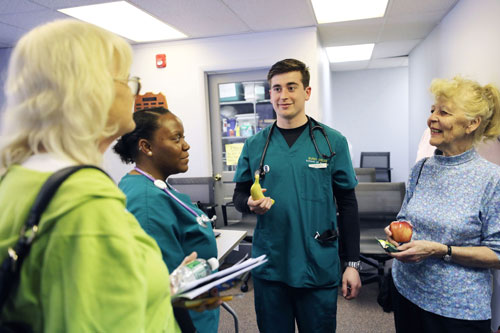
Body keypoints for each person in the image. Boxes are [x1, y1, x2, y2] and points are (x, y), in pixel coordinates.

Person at [0, 19, 185, 331]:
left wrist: (154, 289)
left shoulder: (16, 178)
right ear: (93, 91)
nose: (133, 94)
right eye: (127, 81)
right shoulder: (85, 205)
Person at [232, 58, 361, 332]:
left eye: (291, 87)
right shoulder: (256, 145)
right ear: (270, 94)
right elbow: (239, 195)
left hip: (316, 262)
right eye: (277, 88)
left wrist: (352, 263)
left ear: (307, 92)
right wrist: (250, 204)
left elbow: (348, 205)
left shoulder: (331, 141)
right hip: (271, 265)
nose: (284, 95)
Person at [385, 76, 500, 333]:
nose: (432, 118)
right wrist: (395, 231)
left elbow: (497, 254)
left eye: (443, 112)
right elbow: (404, 217)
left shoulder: (492, 180)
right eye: (432, 110)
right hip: (407, 291)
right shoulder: (422, 168)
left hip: (457, 309)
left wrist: (442, 250)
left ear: (472, 123)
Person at [113, 106, 220, 333]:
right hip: (183, 322)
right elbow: (163, 286)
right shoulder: (147, 202)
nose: (186, 145)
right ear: (147, 147)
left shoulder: (153, 186)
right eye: (176, 138)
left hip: (197, 307)